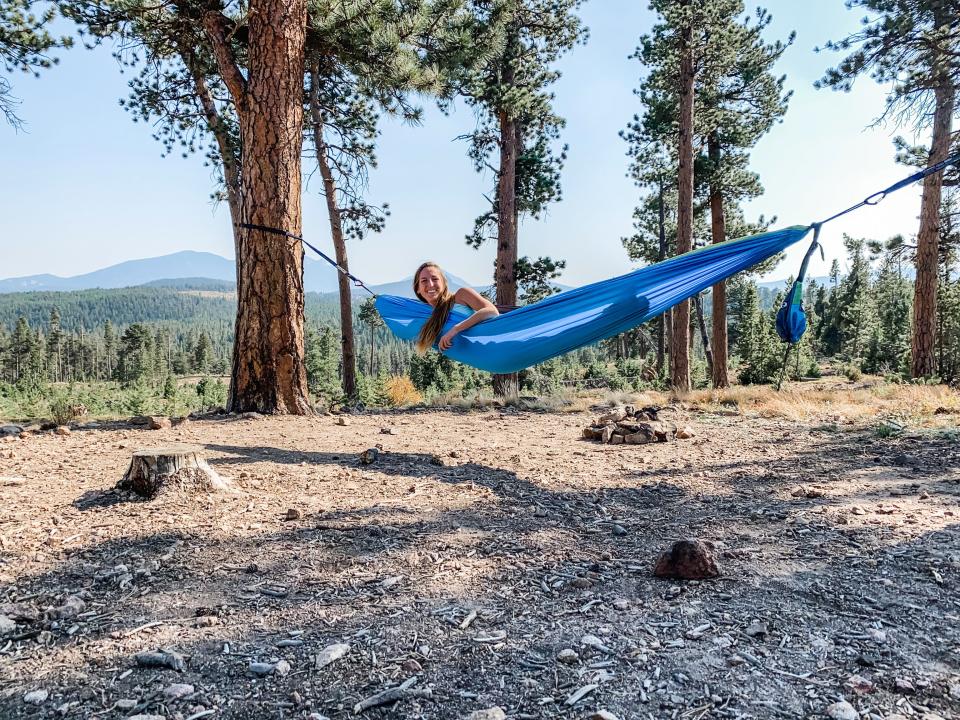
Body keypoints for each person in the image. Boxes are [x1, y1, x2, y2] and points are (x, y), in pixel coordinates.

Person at [413, 261, 499, 353]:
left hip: (498, 343)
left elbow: (492, 311)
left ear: (444, 283)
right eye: (424, 280)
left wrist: (456, 329)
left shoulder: (461, 295)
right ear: (418, 289)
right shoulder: (424, 314)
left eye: (435, 279)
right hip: (478, 359)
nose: (430, 284)